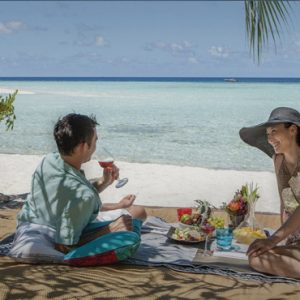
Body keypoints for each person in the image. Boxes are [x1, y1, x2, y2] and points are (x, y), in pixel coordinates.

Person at [9, 113, 146, 260]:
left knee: (137, 212)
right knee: (132, 229)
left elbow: (68, 196)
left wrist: (103, 182)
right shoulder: (83, 196)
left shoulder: (50, 160)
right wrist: (110, 229)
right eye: (95, 141)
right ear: (83, 146)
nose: (95, 147)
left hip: (36, 220)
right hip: (56, 233)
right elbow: (64, 246)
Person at [239, 107, 300, 278]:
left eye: (274, 131)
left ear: (293, 130)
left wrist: (273, 239)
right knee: (257, 257)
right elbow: (285, 204)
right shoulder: (278, 160)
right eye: (268, 134)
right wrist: (281, 239)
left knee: (259, 258)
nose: (270, 138)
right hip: (296, 241)